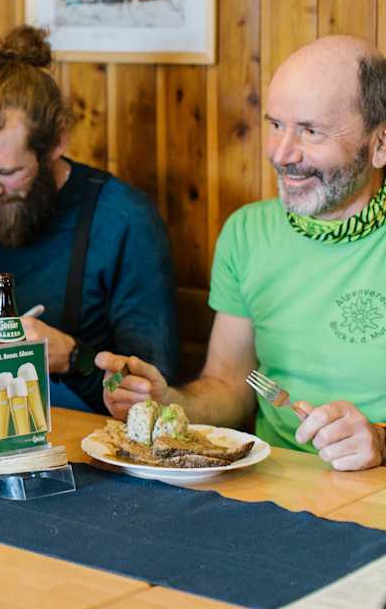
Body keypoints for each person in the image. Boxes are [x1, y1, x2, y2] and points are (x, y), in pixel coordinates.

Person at [99, 35, 386, 471]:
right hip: (270, 485)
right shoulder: (247, 231)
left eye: (310, 131)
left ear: (379, 144)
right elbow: (231, 386)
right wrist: (166, 399)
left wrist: (380, 442)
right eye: (275, 125)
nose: (282, 153)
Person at [0, 26, 178, 413]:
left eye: (7, 173)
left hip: (89, 446)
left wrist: (73, 358)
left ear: (57, 142)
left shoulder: (123, 222)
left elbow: (147, 393)